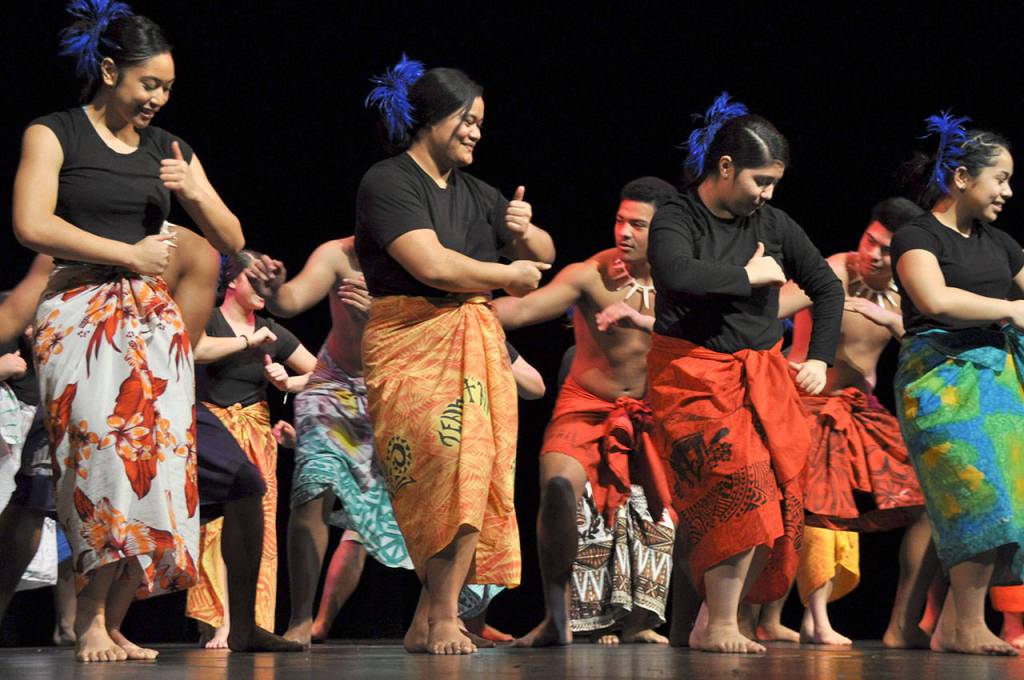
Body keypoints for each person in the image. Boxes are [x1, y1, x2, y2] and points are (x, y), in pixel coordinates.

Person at [12, 1, 246, 661]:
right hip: (77, 312)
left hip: (152, 325)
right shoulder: (54, 133)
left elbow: (233, 240)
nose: (159, 98)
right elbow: (31, 223)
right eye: (150, 83)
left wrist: (195, 193)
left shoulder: (170, 148)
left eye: (168, 87)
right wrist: (127, 255)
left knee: (152, 469)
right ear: (110, 70)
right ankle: (86, 621)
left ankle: (110, 623)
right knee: (95, 461)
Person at [356, 55, 554, 655]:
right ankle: (436, 613)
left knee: (476, 469)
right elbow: (432, 265)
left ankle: (436, 617)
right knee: (442, 462)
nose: (474, 131)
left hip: (472, 340)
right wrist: (504, 273)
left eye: (479, 123)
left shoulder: (478, 191)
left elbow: (542, 256)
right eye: (466, 119)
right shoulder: (388, 182)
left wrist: (522, 230)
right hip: (407, 339)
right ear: (432, 120)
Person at [645, 93, 844, 654]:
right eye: (761, 179)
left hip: (762, 376)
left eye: (775, 181)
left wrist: (819, 359)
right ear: (726, 167)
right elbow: (675, 271)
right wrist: (748, 274)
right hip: (691, 376)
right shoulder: (677, 216)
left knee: (777, 493)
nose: (768, 192)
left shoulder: (775, 223)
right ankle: (720, 625)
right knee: (742, 481)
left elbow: (826, 287)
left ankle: (714, 617)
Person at [491, 178, 678, 648]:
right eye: (620, 220)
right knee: (557, 486)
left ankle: (666, 620)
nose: (625, 231)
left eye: (638, 224)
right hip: (586, 406)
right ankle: (557, 618)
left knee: (681, 510)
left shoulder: (685, 284)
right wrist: (451, 307)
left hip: (652, 414)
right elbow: (525, 308)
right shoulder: (590, 274)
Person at [891, 112, 1024, 656]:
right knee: (975, 489)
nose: (1008, 191)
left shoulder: (1002, 244)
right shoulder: (916, 234)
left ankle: (953, 622)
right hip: (938, 378)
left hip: (997, 381)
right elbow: (934, 300)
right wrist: (1012, 309)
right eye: (1001, 179)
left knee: (1005, 501)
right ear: (963, 177)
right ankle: (963, 625)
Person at [778, 197, 934, 647]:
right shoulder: (832, 270)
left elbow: (928, 335)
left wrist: (887, 316)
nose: (874, 254)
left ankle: (901, 624)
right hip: (806, 401)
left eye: (887, 250)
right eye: (870, 240)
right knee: (814, 507)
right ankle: (810, 617)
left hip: (859, 409)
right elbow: (772, 309)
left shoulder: (909, 289)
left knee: (925, 498)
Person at [184, 253, 316, 646]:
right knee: (213, 530)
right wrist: (246, 341)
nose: (262, 289)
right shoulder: (208, 318)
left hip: (257, 435)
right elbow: (192, 350)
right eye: (252, 279)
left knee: (258, 531)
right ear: (231, 282)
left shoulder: (271, 329)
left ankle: (251, 622)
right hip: (211, 431)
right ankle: (219, 621)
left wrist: (288, 383)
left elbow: (325, 373)